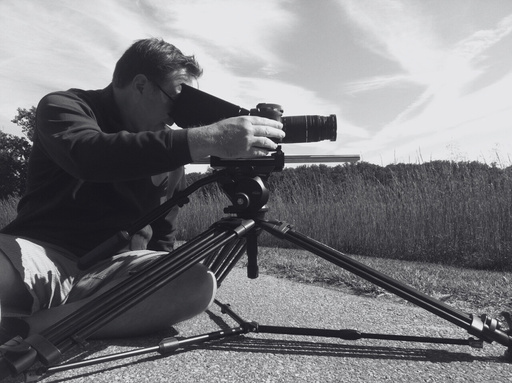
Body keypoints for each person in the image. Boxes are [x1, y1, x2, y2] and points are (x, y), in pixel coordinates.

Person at [0, 38, 284, 340]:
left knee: (196, 282)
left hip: (117, 273)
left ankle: (30, 328)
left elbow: (163, 232)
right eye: (176, 99)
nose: (177, 117)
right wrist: (207, 139)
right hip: (41, 253)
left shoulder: (170, 152)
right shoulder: (64, 106)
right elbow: (88, 156)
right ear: (140, 85)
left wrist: (160, 277)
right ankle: (85, 316)